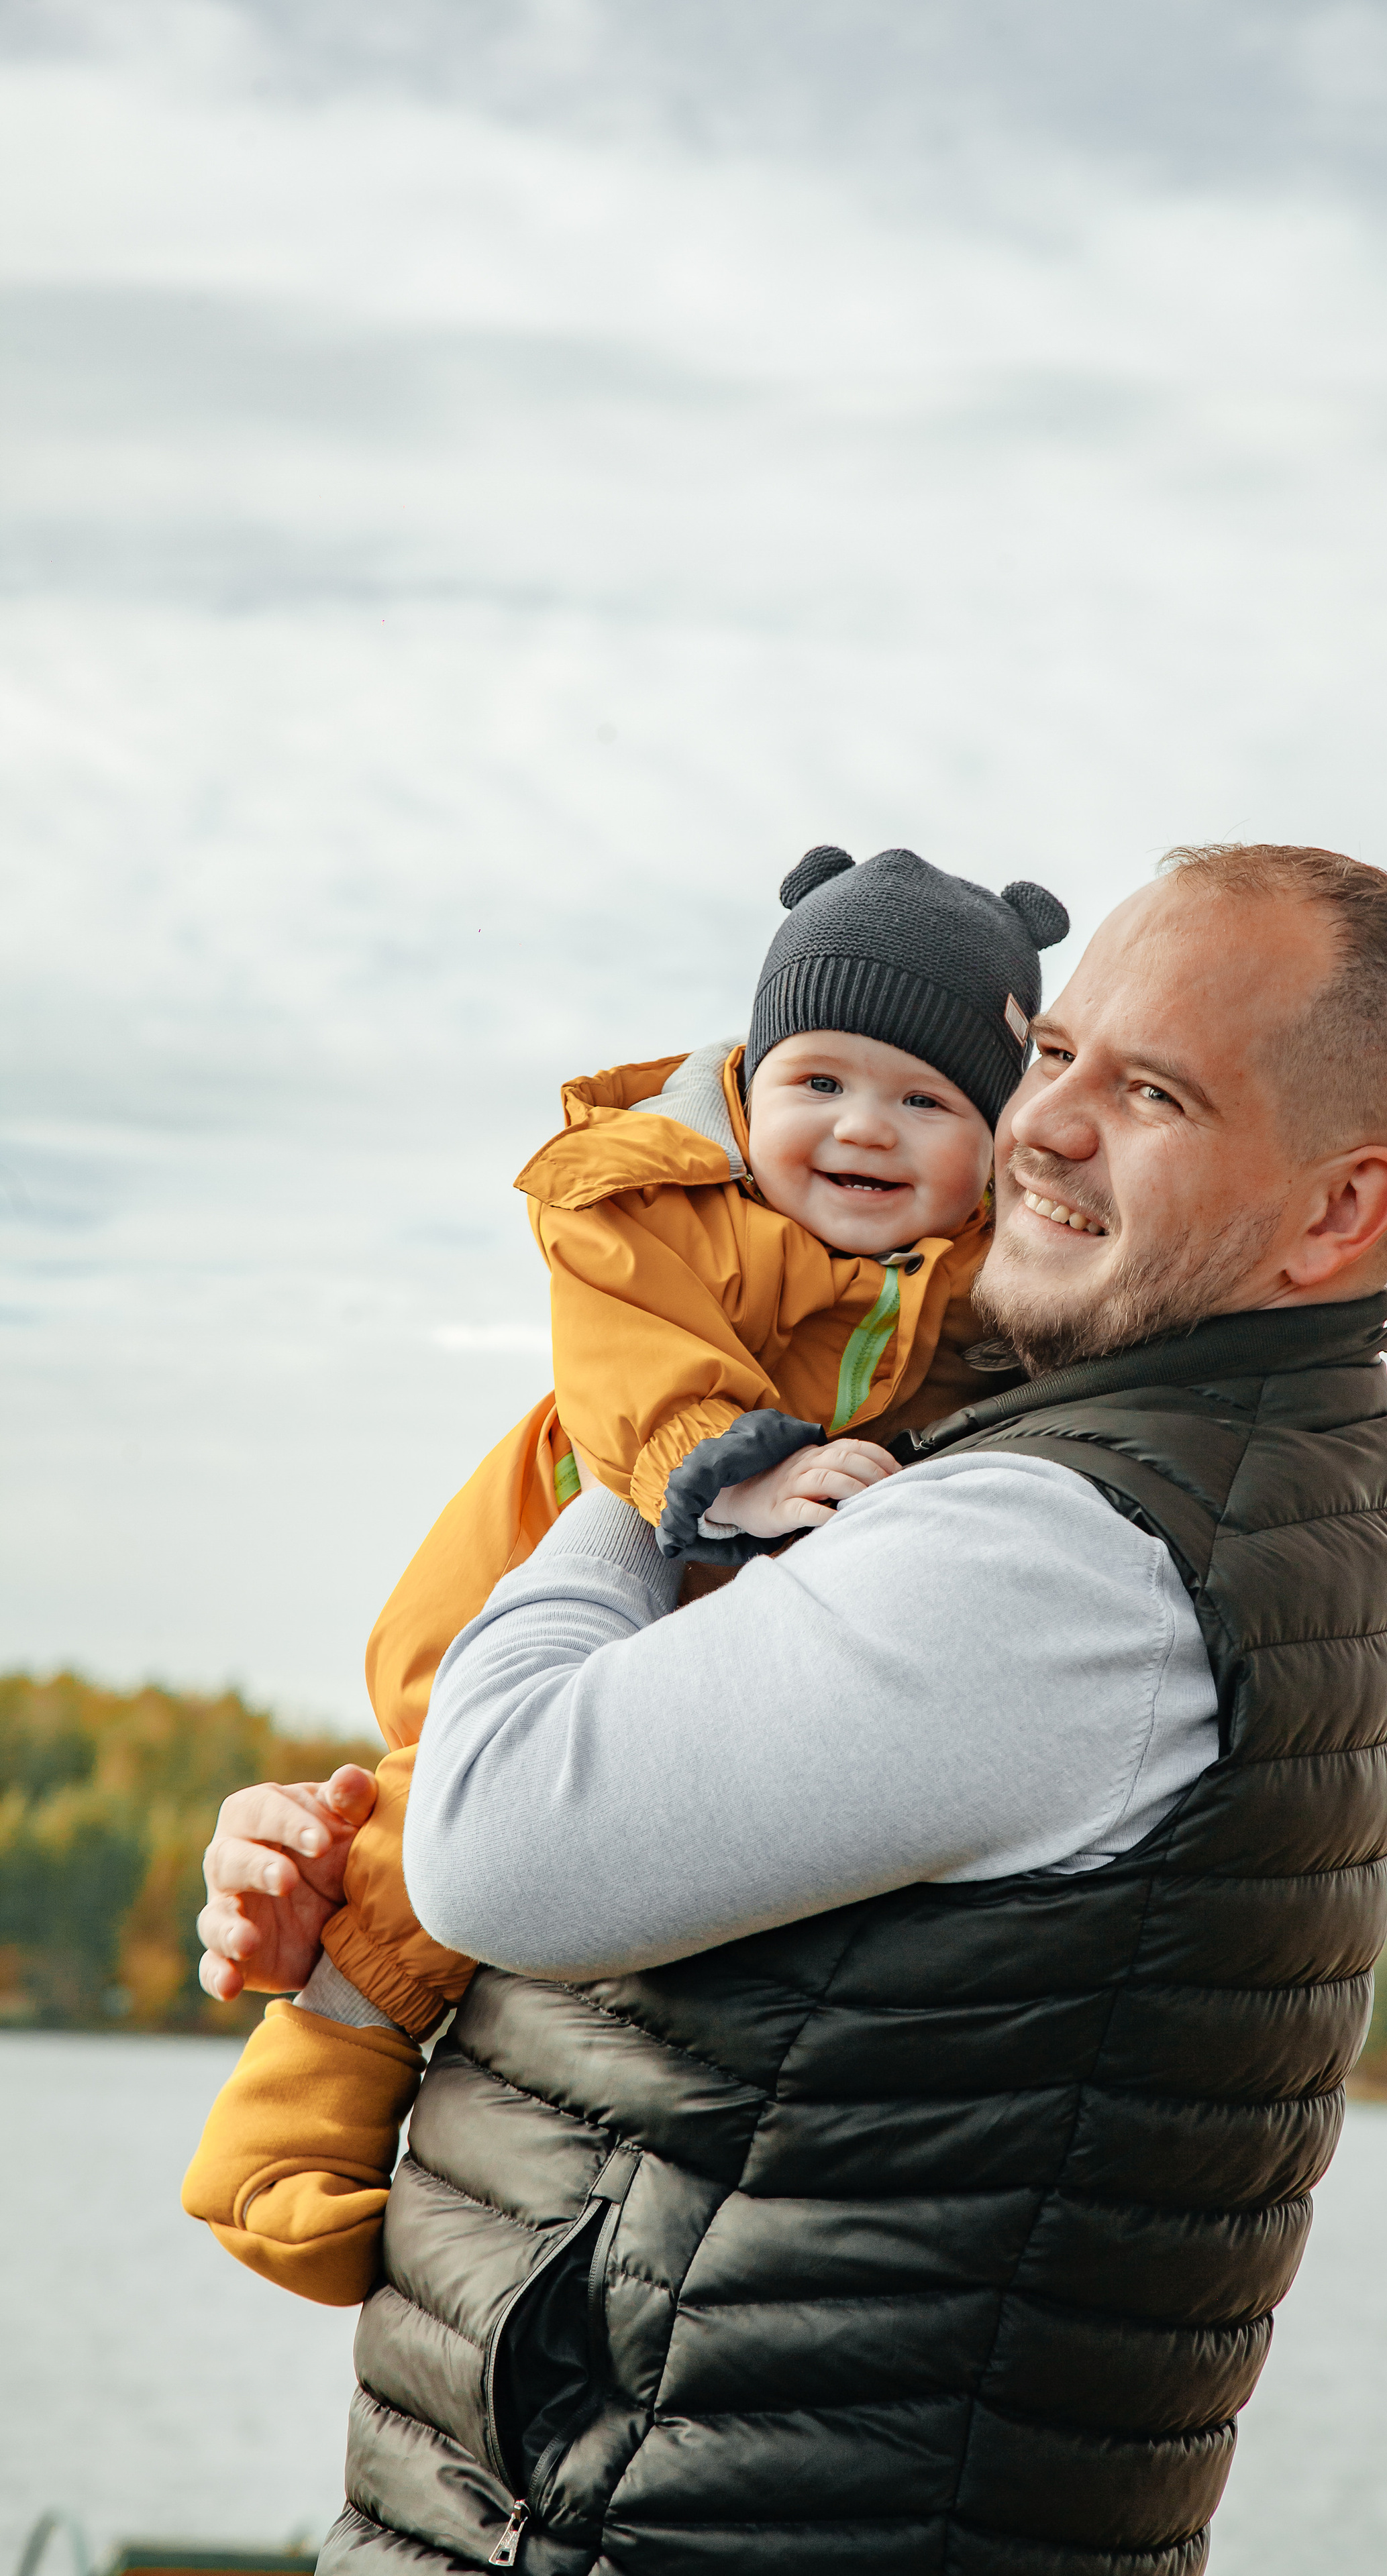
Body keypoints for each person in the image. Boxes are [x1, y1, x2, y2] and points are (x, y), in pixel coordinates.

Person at [197, 843, 1387, 2575]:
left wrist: (658, 1438)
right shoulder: (1152, 1469)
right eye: (1052, 1056)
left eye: (1156, 1092)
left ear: (1339, 1211)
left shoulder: (1070, 1557)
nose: (1040, 1127)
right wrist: (349, 1841)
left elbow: (500, 1840)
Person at [182, 845, 1070, 2303]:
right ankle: (276, 2145)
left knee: (500, 1848)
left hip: (710, 1630)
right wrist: (738, 1465)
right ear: (746, 1084)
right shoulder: (668, 1208)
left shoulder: (980, 1278)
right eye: (820, 1082)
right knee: (418, 1849)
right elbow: (627, 1366)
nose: (864, 1129)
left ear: (993, 1135)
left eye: (926, 1100)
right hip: (557, 1557)